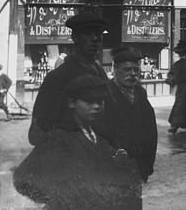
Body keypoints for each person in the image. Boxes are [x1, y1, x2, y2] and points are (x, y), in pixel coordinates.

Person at [14, 74, 142, 210]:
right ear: (71, 103)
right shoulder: (58, 138)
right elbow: (21, 178)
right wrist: (56, 199)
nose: (97, 106)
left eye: (100, 101)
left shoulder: (101, 138)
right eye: (89, 101)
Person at [29, 11, 109, 146]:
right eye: (88, 33)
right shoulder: (57, 78)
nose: (95, 38)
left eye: (98, 34)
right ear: (75, 37)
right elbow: (36, 134)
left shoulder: (101, 74)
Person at [102, 47, 157, 183]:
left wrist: (147, 165)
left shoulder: (140, 93)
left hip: (139, 165)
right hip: (114, 168)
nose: (133, 74)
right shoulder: (105, 95)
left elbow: (150, 131)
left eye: (136, 70)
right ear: (115, 70)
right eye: (127, 70)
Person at [165, 39, 186, 134]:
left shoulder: (176, 65)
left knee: (179, 106)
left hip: (180, 88)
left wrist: (171, 81)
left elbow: (171, 76)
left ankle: (175, 125)